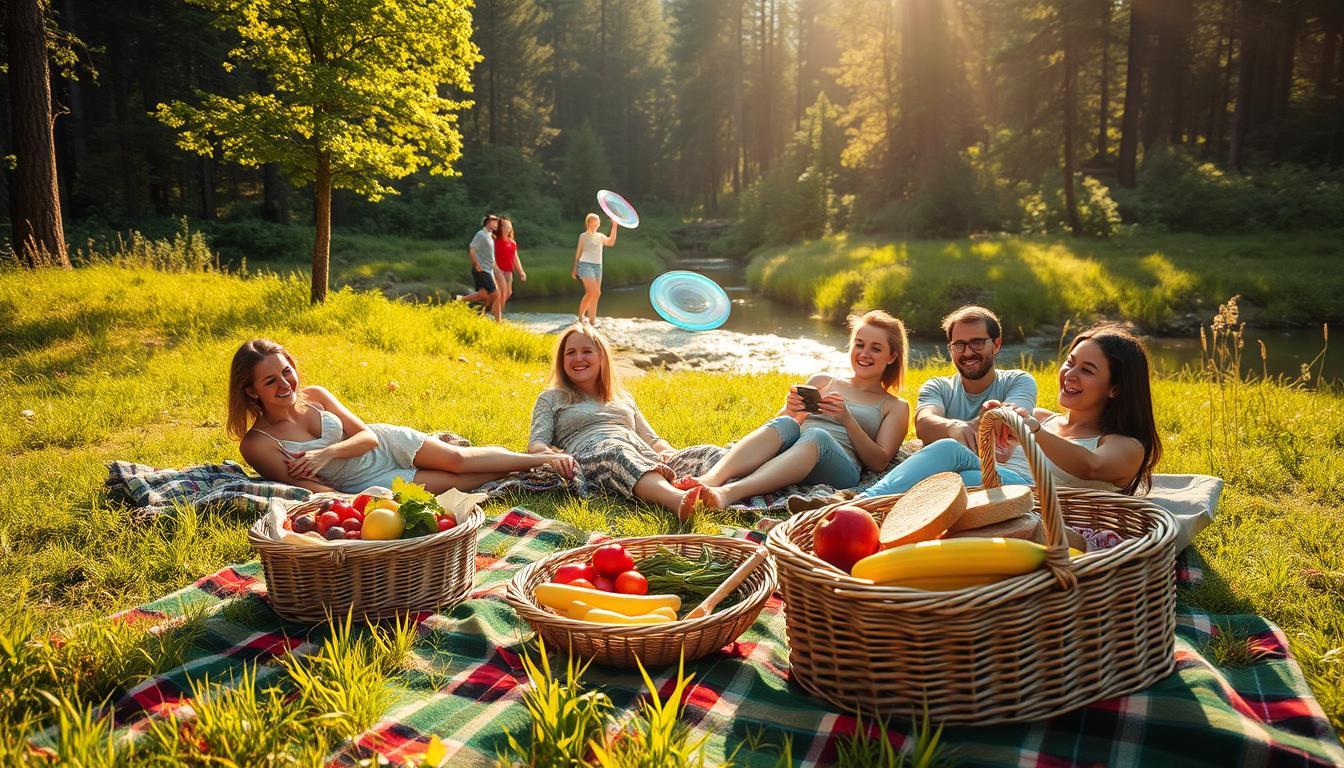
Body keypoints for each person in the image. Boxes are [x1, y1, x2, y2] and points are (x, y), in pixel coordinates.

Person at [228, 339, 571, 494]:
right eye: (270, 381)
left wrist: (326, 452)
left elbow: (368, 437)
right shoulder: (258, 444)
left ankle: (535, 458)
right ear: (252, 391)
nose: (285, 383)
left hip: (384, 444)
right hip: (362, 483)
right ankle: (518, 467)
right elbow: (310, 488)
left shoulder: (315, 396)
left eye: (287, 372)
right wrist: (353, 503)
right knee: (454, 483)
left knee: (456, 459)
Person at [859, 322, 1161, 497]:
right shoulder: (1045, 418)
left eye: (1087, 370)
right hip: (998, 484)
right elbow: (997, 457)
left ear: (1115, 388)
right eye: (1070, 362)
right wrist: (994, 425)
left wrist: (1032, 431)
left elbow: (1090, 466)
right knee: (949, 454)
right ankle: (860, 503)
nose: (1069, 374)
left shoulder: (1125, 445)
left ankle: (866, 506)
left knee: (952, 478)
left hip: (1034, 502)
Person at [691, 310, 912, 509]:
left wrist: (848, 420)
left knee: (817, 435)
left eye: (876, 348)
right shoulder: (823, 380)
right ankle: (709, 480)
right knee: (787, 423)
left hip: (840, 468)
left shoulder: (895, 406)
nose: (864, 354)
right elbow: (778, 425)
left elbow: (879, 462)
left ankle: (727, 493)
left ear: (892, 356)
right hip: (794, 454)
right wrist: (790, 410)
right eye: (860, 344)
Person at [527, 324, 701, 521]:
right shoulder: (550, 398)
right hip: (594, 455)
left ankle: (715, 492)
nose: (578, 358)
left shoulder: (622, 397)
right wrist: (552, 456)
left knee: (705, 452)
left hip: (640, 451)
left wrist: (669, 452)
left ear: (601, 357)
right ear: (562, 360)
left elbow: (652, 439)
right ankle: (678, 500)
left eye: (587, 351)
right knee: (617, 452)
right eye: (570, 353)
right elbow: (536, 444)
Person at [572, 213, 617, 325]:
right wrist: (574, 268)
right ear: (589, 223)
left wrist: (615, 226)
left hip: (598, 266)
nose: (598, 223)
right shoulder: (583, 236)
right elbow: (578, 253)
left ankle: (592, 320)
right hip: (585, 265)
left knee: (596, 294)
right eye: (595, 221)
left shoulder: (600, 236)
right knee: (593, 291)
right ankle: (581, 316)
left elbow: (611, 242)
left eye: (598, 221)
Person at [458, 214, 502, 322]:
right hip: (482, 269)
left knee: (483, 295)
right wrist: (476, 264)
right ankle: (498, 322)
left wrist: (495, 268)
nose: (496, 224)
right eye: (494, 221)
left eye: (497, 222)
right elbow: (472, 249)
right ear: (488, 222)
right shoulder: (481, 234)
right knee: (496, 294)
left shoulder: (490, 236)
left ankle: (458, 300)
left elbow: (490, 256)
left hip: (489, 270)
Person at [493, 216, 526, 317]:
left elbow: (515, 258)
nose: (508, 229)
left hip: (508, 271)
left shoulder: (512, 243)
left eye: (510, 227)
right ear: (501, 228)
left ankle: (495, 312)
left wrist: (521, 271)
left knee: (508, 292)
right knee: (501, 293)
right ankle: (498, 316)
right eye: (506, 226)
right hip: (498, 271)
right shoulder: (495, 241)